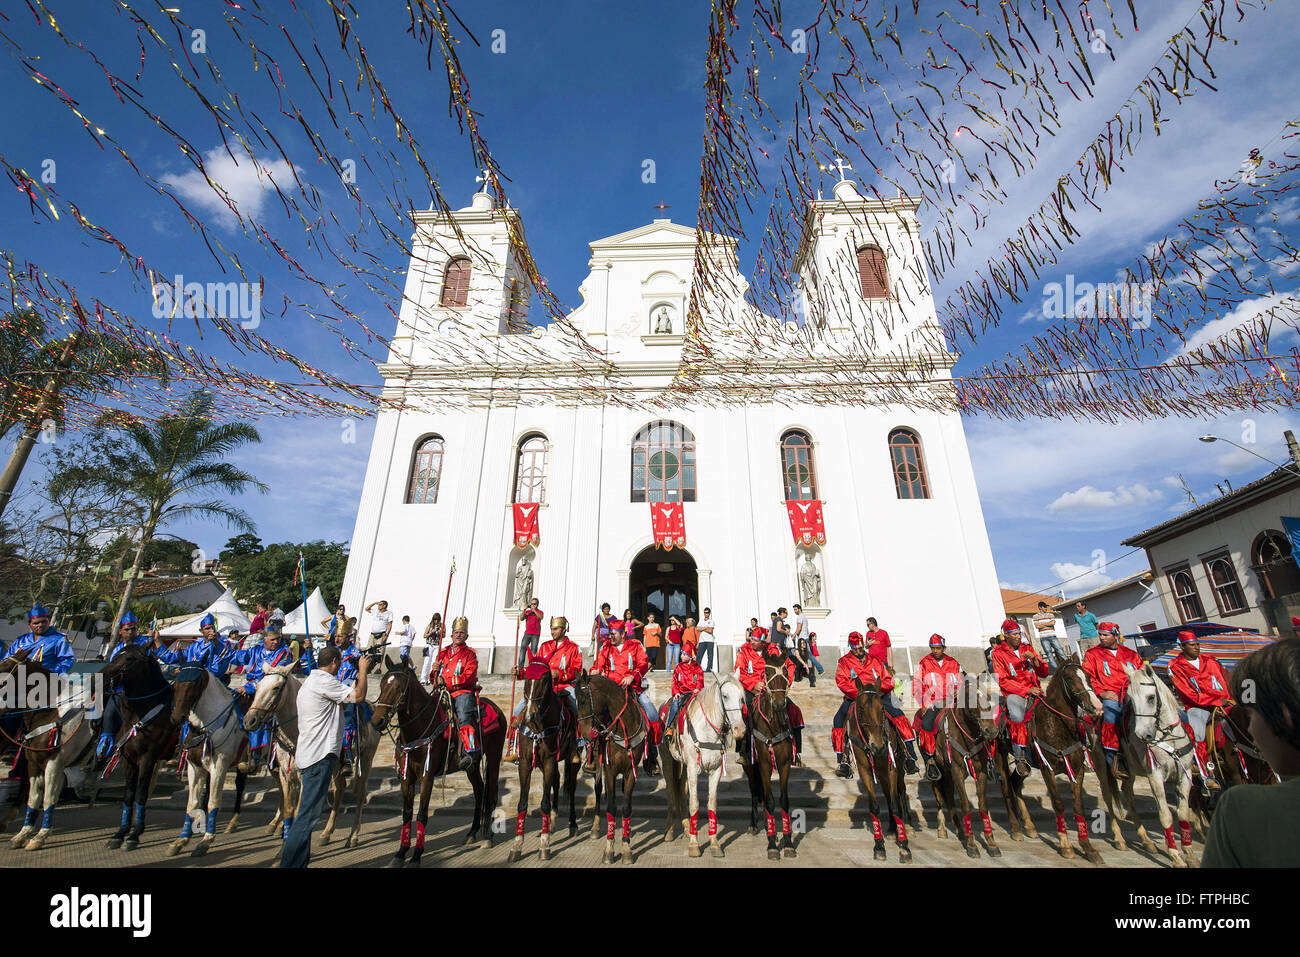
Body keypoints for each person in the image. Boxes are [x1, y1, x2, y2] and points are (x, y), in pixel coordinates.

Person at [1202, 638, 1300, 867]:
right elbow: (1187, 689)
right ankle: (1207, 764)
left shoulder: (1239, 805)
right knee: (1199, 726)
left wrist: (1224, 698)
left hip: (1222, 700)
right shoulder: (1177, 666)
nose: (1249, 728)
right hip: (1203, 705)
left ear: (1285, 715)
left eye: (1252, 714)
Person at [280, 644, 372, 868]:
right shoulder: (323, 682)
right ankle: (289, 864)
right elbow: (359, 697)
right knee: (307, 817)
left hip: (311, 754)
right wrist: (363, 669)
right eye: (338, 662)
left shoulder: (311, 681)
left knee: (306, 816)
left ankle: (300, 861)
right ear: (334, 662)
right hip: (318, 757)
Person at [831, 632, 920, 777]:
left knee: (898, 715)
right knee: (839, 720)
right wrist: (860, 694)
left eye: (861, 647)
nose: (859, 651)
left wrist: (876, 690)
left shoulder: (875, 660)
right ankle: (843, 760)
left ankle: (910, 755)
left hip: (878, 696)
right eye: (855, 648)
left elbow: (888, 679)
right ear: (851, 648)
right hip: (855, 697)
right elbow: (842, 682)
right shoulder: (844, 662)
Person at [593, 613, 659, 774]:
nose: (610, 637)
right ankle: (590, 756)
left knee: (652, 715)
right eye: (609, 634)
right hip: (610, 692)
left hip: (632, 689)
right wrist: (594, 671)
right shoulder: (605, 648)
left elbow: (643, 664)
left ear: (623, 634)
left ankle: (651, 757)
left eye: (613, 634)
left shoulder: (635, 645)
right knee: (592, 716)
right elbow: (598, 665)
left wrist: (633, 676)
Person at [1168, 631, 1232, 789]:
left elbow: (1226, 679)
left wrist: (1230, 697)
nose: (1197, 648)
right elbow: (1187, 693)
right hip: (1198, 707)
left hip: (1225, 703)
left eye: (1197, 644)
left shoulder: (1211, 661)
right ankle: (1205, 772)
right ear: (1182, 647)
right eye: (1192, 645)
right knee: (1197, 730)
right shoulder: (1174, 666)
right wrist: (1216, 700)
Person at [229, 627, 296, 772]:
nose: (276, 642)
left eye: (278, 639)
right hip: (249, 686)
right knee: (228, 700)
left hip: (269, 691)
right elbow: (237, 657)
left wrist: (249, 687)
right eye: (272, 639)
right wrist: (220, 649)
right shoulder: (256, 650)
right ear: (264, 640)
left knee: (258, 713)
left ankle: (256, 755)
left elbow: (272, 676)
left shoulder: (284, 652)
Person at [1081, 621, 1143, 777]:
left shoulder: (1131, 654)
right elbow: (1088, 678)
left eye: (1105, 635)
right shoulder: (1093, 654)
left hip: (1134, 695)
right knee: (1110, 715)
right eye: (1100, 635)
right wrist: (1102, 693)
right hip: (1110, 696)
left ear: (1116, 636)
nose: (1101, 638)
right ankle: (1114, 758)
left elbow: (1142, 674)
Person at [94, 611, 155, 761]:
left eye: (133, 629)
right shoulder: (116, 648)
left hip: (138, 693)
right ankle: (103, 752)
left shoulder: (144, 644)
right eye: (127, 629)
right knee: (104, 717)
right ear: (120, 631)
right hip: (117, 691)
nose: (130, 632)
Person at [991, 618, 1049, 777]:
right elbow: (1002, 680)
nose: (1019, 637)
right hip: (1015, 693)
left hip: (1036, 690)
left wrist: (1035, 659)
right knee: (1017, 716)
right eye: (1015, 634)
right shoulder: (998, 654)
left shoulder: (1028, 648)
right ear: (1007, 636)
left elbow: (1043, 673)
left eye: (1019, 634)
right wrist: (1026, 690)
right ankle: (1020, 757)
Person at [433, 616, 483, 771]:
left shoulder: (470, 654)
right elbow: (434, 677)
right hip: (442, 692)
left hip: (462, 692)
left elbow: (469, 675)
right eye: (456, 632)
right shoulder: (443, 653)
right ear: (451, 635)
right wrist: (434, 672)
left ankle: (470, 751)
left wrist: (446, 682)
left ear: (466, 636)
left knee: (463, 717)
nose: (459, 635)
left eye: (462, 632)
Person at [912, 634, 963, 781]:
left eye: (938, 648)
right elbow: (917, 686)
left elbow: (960, 682)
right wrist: (925, 702)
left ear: (944, 648)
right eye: (932, 648)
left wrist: (958, 690)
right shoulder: (924, 663)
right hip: (934, 703)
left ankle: (985, 759)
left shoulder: (953, 663)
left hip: (953, 702)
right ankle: (930, 759)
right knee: (927, 724)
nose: (935, 651)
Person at [152, 614, 235, 676]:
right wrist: (157, 640)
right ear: (201, 630)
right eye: (207, 628)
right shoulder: (195, 646)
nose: (211, 631)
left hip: (210, 685)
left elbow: (216, 670)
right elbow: (170, 658)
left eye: (212, 627)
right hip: (190, 681)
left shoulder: (223, 643)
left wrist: (186, 671)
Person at [5, 604, 76, 673]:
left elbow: (66, 661)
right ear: (29, 625)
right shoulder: (21, 640)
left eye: (44, 622)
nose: (40, 625)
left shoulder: (60, 639)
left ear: (48, 622)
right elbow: (7, 659)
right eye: (36, 623)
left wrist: (50, 673)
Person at [664, 641, 705, 738]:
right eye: (681, 654)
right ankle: (669, 726)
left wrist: (698, 688)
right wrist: (676, 692)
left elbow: (700, 679)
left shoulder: (698, 668)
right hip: (682, 693)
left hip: (694, 693)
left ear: (690, 656)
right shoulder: (679, 667)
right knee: (675, 704)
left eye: (684, 654)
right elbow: (674, 681)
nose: (681, 656)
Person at [1032, 601, 1068, 671]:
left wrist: (1042, 624)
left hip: (1052, 635)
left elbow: (1053, 623)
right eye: (1044, 607)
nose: (1046, 608)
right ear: (1040, 607)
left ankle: (1067, 665)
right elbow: (1037, 626)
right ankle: (1056, 669)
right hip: (1043, 637)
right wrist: (1048, 623)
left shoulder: (1050, 615)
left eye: (1046, 607)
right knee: (1049, 653)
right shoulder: (1035, 616)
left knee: (1060, 650)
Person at [517, 598, 544, 669]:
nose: (532, 605)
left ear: (537, 605)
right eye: (531, 604)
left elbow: (541, 617)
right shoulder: (527, 612)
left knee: (533, 651)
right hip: (527, 633)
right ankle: (520, 667)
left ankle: (532, 667)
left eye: (534, 604)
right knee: (523, 649)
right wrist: (524, 610)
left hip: (535, 634)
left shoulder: (539, 612)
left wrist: (534, 610)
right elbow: (522, 618)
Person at [421, 612, 443, 683]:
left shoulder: (442, 626)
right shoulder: (429, 625)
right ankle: (423, 678)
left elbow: (444, 635)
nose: (436, 621)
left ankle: (430, 678)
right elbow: (424, 635)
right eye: (435, 619)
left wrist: (439, 632)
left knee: (434, 662)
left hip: (437, 646)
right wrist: (431, 632)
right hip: (428, 646)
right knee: (426, 661)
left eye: (438, 620)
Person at [697, 608, 717, 673]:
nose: (706, 614)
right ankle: (696, 668)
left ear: (709, 613)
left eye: (707, 612)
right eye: (705, 612)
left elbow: (710, 631)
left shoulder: (711, 621)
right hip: (702, 640)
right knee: (699, 655)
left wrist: (702, 628)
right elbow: (697, 628)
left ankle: (709, 669)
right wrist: (706, 627)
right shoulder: (701, 621)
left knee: (710, 656)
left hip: (710, 641)